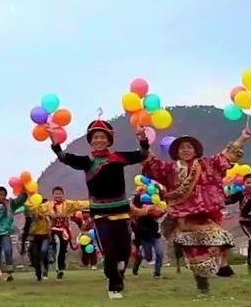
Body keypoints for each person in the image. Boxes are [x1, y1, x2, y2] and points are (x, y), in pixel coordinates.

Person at [142, 129, 251, 297]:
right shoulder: (170, 169)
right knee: (194, 255)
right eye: (182, 148)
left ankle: (219, 266)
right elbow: (151, 163)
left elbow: (227, 155)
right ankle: (203, 287)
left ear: (195, 150)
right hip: (184, 220)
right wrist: (143, 142)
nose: (186, 150)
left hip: (205, 217)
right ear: (176, 152)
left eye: (189, 147)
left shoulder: (207, 165)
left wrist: (242, 138)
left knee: (219, 240)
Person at [49, 119, 149, 299]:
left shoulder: (118, 158)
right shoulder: (87, 162)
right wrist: (56, 145)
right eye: (95, 137)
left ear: (108, 140)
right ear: (91, 140)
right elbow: (65, 157)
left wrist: (143, 139)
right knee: (109, 250)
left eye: (102, 137)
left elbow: (142, 155)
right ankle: (114, 285)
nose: (99, 140)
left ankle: (119, 272)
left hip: (121, 211)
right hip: (101, 214)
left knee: (125, 250)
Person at [37, 187, 89, 279]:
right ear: (53, 195)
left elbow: (77, 204)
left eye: (60, 193)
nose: (58, 195)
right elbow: (39, 209)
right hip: (53, 230)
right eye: (56, 194)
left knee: (63, 250)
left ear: (63, 195)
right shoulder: (48, 205)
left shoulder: (67, 204)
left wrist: (90, 202)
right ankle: (57, 268)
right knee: (58, 244)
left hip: (64, 231)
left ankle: (60, 266)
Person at [226, 173, 251, 273]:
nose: (250, 184)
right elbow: (229, 201)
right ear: (244, 183)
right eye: (247, 182)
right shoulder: (240, 194)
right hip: (245, 222)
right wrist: (228, 193)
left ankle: (250, 263)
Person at [130, 196, 165, 278]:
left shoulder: (154, 210)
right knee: (148, 257)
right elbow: (136, 229)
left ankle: (157, 273)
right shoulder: (137, 214)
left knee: (160, 253)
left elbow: (161, 211)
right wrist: (137, 243)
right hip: (145, 238)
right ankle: (140, 257)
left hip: (156, 236)